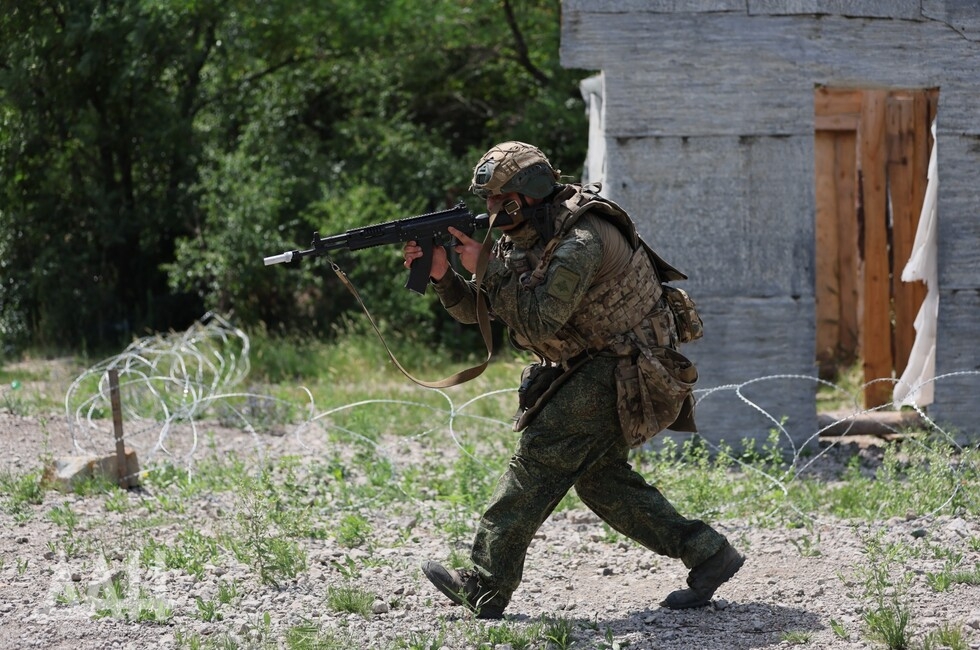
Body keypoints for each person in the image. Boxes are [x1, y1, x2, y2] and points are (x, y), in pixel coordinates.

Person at [402, 141, 743, 619]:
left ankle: (484, 583)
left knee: (538, 459)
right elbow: (488, 312)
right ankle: (707, 554)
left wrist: (487, 268)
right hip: (595, 365)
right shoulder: (522, 234)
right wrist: (445, 278)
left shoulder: (583, 239)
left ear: (524, 197)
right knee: (602, 482)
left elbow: (538, 321)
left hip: (628, 367)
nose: (490, 211)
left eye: (498, 200)